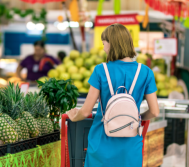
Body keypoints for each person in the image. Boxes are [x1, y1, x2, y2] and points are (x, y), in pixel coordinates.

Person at [66, 24, 160, 167]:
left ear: (112, 44)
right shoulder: (146, 72)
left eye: (104, 44)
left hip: (101, 144)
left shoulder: (100, 70)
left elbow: (85, 111)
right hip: (131, 145)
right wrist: (137, 119)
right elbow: (154, 111)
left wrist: (74, 116)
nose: (104, 48)